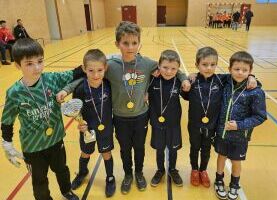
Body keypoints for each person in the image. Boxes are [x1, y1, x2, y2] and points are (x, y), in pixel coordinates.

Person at [107, 21, 190, 194]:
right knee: (124, 149)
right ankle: (128, 174)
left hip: (141, 116)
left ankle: (139, 173)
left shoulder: (147, 63)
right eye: (125, 43)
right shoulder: (110, 65)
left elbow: (174, 70)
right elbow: (89, 70)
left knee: (139, 147)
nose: (130, 47)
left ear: (139, 43)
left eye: (134, 43)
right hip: (120, 117)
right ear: (117, 44)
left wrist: (185, 78)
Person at [1, 38, 85, 200]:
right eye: (29, 64)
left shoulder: (51, 79)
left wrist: (104, 59)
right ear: (18, 65)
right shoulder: (14, 93)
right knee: (39, 180)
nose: (37, 67)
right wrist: (7, 144)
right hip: (33, 148)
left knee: (62, 169)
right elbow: (7, 120)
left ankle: (66, 191)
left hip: (56, 139)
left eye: (40, 61)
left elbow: (77, 72)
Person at [182, 47, 258, 189]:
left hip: (211, 125)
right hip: (194, 124)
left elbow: (240, 75)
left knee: (206, 149)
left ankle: (203, 170)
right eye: (204, 64)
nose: (209, 68)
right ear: (196, 64)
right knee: (194, 148)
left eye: (212, 65)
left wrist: (252, 77)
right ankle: (194, 170)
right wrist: (187, 79)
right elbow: (184, 93)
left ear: (216, 65)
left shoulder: (222, 80)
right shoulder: (192, 81)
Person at [56, 49, 116, 197]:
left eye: (100, 70)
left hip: (106, 128)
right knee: (85, 153)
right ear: (84, 69)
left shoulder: (109, 84)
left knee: (106, 153)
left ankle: (110, 177)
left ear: (105, 68)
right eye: (91, 70)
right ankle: (83, 172)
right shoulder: (81, 88)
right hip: (87, 130)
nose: (96, 75)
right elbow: (78, 109)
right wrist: (80, 124)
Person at [214, 51, 267, 200]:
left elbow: (260, 116)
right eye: (236, 69)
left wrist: (240, 125)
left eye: (245, 70)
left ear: (251, 71)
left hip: (240, 137)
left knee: (236, 161)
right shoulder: (225, 82)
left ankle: (234, 184)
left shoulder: (255, 92)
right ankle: (218, 180)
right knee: (221, 157)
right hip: (222, 133)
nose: (240, 72)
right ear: (230, 69)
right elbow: (208, 75)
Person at [148, 50, 184, 187]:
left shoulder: (179, 81)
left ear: (178, 69)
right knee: (159, 149)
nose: (169, 71)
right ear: (159, 66)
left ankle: (173, 169)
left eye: (173, 68)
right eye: (165, 67)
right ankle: (160, 170)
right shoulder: (152, 79)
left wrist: (186, 79)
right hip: (157, 123)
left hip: (173, 124)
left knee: (173, 149)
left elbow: (188, 95)